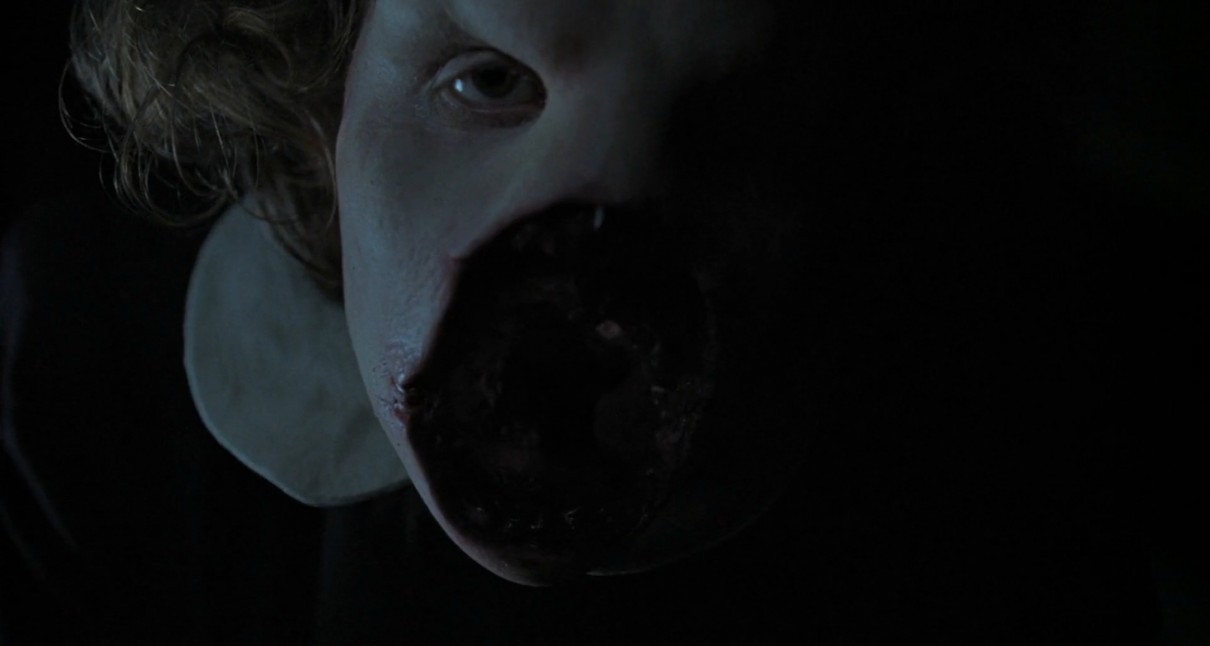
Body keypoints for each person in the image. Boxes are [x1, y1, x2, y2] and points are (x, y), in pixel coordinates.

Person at [2, 0, 1177, 642]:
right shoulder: (76, 356)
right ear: (327, 81)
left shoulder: (1015, 483)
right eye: (488, 81)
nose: (578, 252)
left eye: (740, 137)